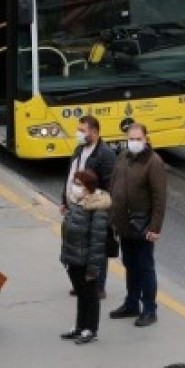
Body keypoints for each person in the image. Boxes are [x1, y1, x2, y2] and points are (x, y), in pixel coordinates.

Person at [109, 123, 167, 328]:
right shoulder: (124, 156)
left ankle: (149, 309)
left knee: (145, 267)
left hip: (142, 225)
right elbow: (114, 183)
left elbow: (159, 199)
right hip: (125, 224)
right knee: (130, 264)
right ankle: (131, 303)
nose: (133, 142)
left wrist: (155, 227)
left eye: (137, 139)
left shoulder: (153, 162)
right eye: (130, 138)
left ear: (145, 139)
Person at [62, 115, 116, 298]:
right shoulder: (79, 150)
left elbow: (110, 184)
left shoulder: (105, 154)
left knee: (96, 248)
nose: (79, 133)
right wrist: (65, 200)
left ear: (94, 132)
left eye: (82, 130)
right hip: (76, 207)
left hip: (94, 208)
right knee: (79, 246)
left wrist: (103, 207)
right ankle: (80, 283)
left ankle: (98, 287)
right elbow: (71, 176)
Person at [60, 169, 112, 344]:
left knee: (90, 295)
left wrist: (93, 268)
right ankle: (80, 327)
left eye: (79, 184)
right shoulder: (79, 202)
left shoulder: (97, 209)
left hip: (86, 260)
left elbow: (97, 242)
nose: (75, 187)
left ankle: (91, 329)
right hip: (74, 258)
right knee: (81, 294)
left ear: (88, 186)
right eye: (75, 183)